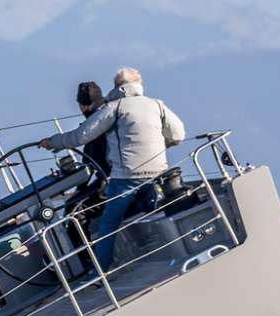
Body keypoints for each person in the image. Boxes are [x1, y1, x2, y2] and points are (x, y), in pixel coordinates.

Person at [40, 67, 185, 269]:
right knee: (149, 204)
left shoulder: (115, 107)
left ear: (118, 87)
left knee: (108, 225)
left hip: (126, 178)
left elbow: (80, 136)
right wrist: (161, 146)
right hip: (158, 173)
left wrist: (52, 142)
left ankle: (100, 271)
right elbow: (178, 135)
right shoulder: (156, 104)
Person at [75, 81, 111, 178]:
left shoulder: (92, 128)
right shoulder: (115, 111)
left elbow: (90, 165)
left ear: (83, 106)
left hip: (114, 177)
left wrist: (79, 190)